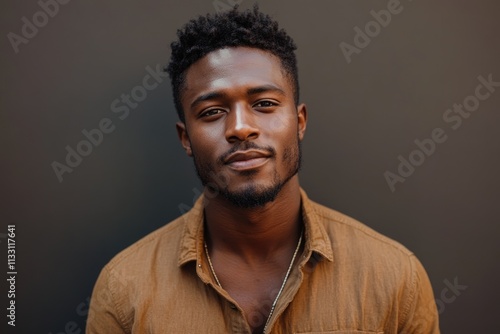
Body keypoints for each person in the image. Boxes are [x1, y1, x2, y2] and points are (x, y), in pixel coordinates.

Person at [87, 6, 440, 334]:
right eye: (211, 111)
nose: (241, 127)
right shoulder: (124, 288)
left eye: (265, 104)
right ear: (186, 139)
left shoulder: (395, 278)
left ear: (299, 121)